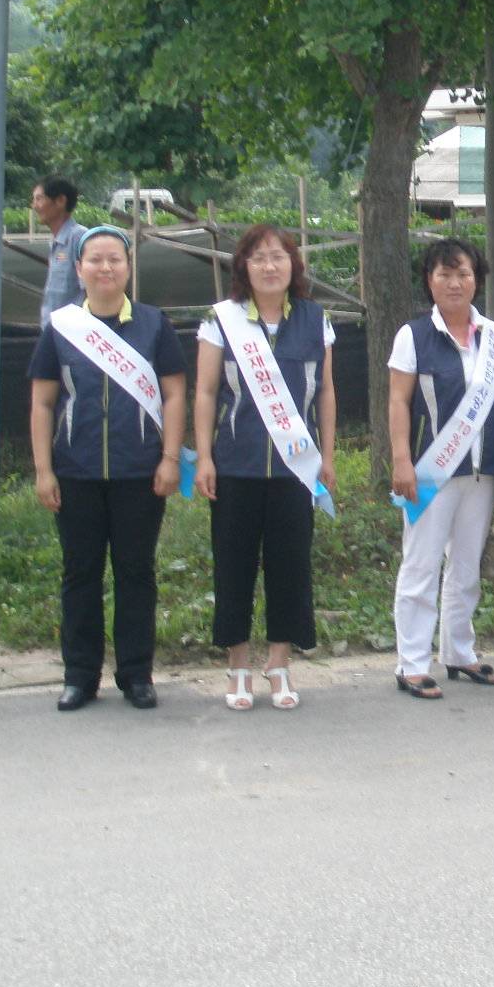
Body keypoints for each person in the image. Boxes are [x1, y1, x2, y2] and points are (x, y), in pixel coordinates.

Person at [30, 226, 189, 712]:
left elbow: (175, 394)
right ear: (79, 269)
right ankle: (79, 676)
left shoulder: (153, 324)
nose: (105, 268)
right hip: (75, 471)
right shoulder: (61, 327)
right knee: (80, 573)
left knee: (136, 572)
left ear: (128, 266)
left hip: (139, 471)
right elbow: (42, 402)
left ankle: (136, 674)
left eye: (114, 259)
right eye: (95, 260)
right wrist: (43, 470)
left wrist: (169, 458)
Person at [195, 224, 338, 712]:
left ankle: (279, 663)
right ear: (244, 268)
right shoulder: (222, 320)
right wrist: (204, 457)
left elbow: (326, 392)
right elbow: (205, 392)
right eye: (258, 258)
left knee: (289, 566)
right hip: (236, 465)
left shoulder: (316, 319)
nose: (269, 266)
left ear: (293, 264)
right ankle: (237, 665)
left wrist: (328, 457)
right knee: (233, 566)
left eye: (278, 256)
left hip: (297, 469)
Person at [388, 238, 494, 698]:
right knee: (421, 565)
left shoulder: (493, 335)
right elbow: (398, 401)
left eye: (463, 274)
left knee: (467, 568)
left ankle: (459, 651)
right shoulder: (413, 335)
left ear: (477, 279)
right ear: (429, 280)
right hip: (430, 471)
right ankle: (412, 663)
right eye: (445, 274)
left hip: (481, 472)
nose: (455, 283)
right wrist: (402, 460)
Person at [33, 175, 89, 324]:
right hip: (52, 329)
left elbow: (90, 290)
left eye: (39, 199)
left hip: (72, 330)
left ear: (60, 201)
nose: (35, 206)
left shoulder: (78, 237)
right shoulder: (56, 242)